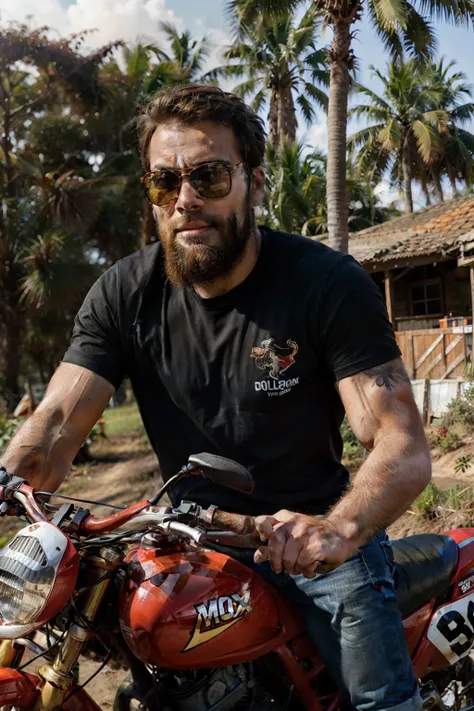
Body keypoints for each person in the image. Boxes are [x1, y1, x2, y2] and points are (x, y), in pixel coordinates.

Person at [0, 84, 431, 711]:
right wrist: (10, 473)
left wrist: (335, 529)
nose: (185, 200)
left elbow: (402, 446)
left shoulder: (324, 283)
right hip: (186, 543)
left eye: (208, 175)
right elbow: (58, 421)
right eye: (164, 182)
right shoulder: (125, 293)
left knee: (381, 702)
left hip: (310, 539)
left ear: (254, 183)